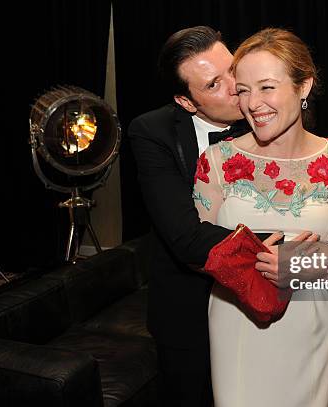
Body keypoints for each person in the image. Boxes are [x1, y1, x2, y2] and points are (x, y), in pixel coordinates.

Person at [127, 26, 315, 407]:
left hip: (278, 307)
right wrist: (274, 252)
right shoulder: (152, 131)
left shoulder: (271, 110)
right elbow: (184, 236)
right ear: (186, 102)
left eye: (232, 70)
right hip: (188, 313)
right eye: (214, 84)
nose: (236, 87)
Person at [193, 28, 328, 406]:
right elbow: (199, 253)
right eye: (242, 90)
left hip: (312, 323)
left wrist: (307, 263)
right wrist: (251, 263)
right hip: (238, 322)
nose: (253, 103)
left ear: (304, 87)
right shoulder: (216, 162)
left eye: (267, 87)